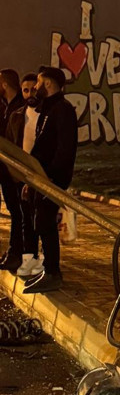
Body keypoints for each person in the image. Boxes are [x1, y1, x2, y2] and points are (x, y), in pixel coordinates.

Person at [22, 67, 78, 294]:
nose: (34, 88)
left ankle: (53, 273)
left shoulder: (62, 110)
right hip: (41, 177)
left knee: (45, 222)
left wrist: (52, 177)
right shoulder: (48, 109)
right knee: (40, 222)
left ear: (48, 84)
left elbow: (64, 148)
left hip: (52, 178)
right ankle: (49, 270)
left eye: (38, 83)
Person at [6, 73, 43, 279]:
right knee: (25, 221)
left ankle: (44, 265)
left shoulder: (46, 115)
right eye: (25, 90)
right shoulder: (17, 116)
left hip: (41, 177)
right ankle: (28, 260)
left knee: (42, 222)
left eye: (33, 89)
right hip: (20, 177)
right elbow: (12, 146)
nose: (29, 94)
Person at [0, 68, 26, 272]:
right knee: (14, 211)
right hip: (5, 170)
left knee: (19, 213)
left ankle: (17, 253)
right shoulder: (5, 107)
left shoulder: (20, 108)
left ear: (5, 85)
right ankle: (13, 251)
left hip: (16, 171)